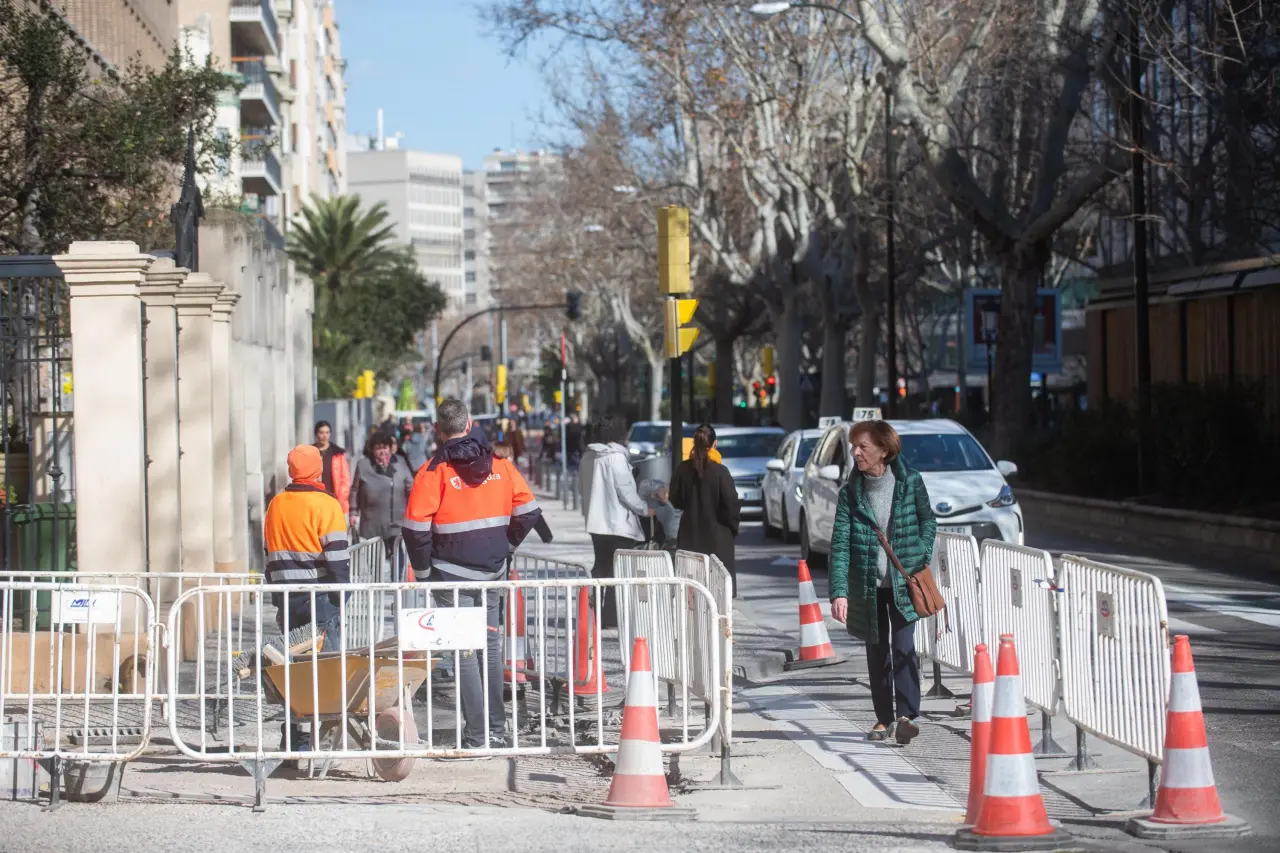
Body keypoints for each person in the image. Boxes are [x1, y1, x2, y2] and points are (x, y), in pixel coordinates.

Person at [402, 399, 542, 750]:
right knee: (490, 649)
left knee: (463, 651)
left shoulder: (433, 472)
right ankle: (496, 730)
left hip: (450, 576)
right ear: (469, 425)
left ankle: (477, 735)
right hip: (492, 573)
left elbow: (415, 530)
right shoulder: (500, 465)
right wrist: (506, 547)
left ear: (438, 431)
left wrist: (423, 573)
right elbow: (529, 510)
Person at [829, 420, 937, 745]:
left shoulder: (909, 482)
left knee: (903, 648)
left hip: (904, 583)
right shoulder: (850, 494)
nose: (856, 452)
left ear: (884, 450)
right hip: (868, 586)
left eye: (863, 446)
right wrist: (839, 592)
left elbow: (928, 521)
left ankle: (906, 717)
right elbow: (840, 544)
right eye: (854, 447)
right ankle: (883, 717)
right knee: (877, 652)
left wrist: (920, 554)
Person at [264, 445, 350, 753]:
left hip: (287, 600)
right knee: (326, 671)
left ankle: (294, 741)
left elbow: (269, 556)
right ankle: (323, 743)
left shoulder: (276, 505)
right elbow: (338, 560)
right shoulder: (326, 505)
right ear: (318, 469)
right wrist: (342, 597)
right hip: (321, 599)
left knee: (293, 674)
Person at [583, 415, 653, 628]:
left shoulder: (589, 456)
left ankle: (593, 613)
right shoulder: (616, 458)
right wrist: (644, 509)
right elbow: (626, 492)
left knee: (600, 568)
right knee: (617, 571)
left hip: (596, 523)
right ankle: (611, 616)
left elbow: (582, 488)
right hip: (619, 524)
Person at [668, 423, 740, 593]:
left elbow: (675, 500)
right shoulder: (721, 472)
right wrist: (731, 528)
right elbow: (731, 504)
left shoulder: (682, 470)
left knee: (692, 594)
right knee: (718, 595)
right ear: (715, 444)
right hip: (719, 541)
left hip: (690, 538)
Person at [349, 430, 414, 558]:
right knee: (375, 557)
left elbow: (410, 487)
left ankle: (395, 571)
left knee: (397, 555)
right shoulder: (363, 465)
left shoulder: (400, 462)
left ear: (390, 448)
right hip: (372, 521)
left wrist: (414, 510)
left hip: (396, 520)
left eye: (385, 448)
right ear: (372, 450)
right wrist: (353, 512)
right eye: (378, 449)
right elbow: (355, 490)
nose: (382, 452)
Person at [494, 442, 553, 544]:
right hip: (526, 500)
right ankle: (547, 537)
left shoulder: (499, 465)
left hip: (517, 506)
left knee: (508, 545)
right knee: (534, 514)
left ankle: (547, 537)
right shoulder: (507, 465)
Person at [313, 421, 351, 518]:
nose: (324, 436)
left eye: (327, 432)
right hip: (316, 500)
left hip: (335, 499)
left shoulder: (338, 453)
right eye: (321, 432)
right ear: (316, 434)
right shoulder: (310, 452)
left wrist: (340, 499)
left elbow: (345, 479)